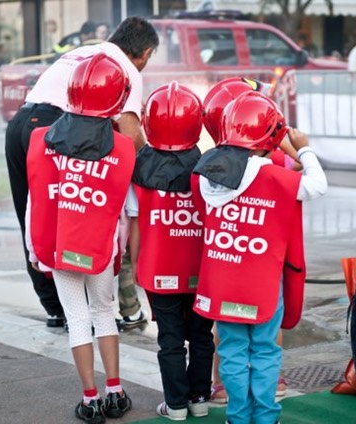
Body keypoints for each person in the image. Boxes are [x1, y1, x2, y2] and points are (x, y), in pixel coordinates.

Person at [5, 16, 158, 328]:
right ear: (144, 53)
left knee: (33, 215)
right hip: (57, 126)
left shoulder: (85, 52)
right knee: (77, 211)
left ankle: (55, 307)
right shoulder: (124, 69)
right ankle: (79, 307)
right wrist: (154, 165)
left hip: (22, 124)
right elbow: (130, 134)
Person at [191, 91, 327, 424]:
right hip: (262, 285)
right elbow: (317, 185)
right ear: (270, 136)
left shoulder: (204, 176)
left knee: (232, 350)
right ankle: (266, 417)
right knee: (265, 351)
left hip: (222, 283)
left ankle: (237, 417)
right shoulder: (278, 178)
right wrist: (302, 147)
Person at [25, 54, 135, 424]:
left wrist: (34, 249)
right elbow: (122, 212)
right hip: (101, 248)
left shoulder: (41, 140)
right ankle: (115, 392)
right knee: (105, 313)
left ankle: (90, 400)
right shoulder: (123, 149)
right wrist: (119, 252)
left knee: (76, 318)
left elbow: (35, 202)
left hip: (59, 246)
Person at [200, 78, 296, 405]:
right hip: (269, 256)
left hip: (229, 261)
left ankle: (223, 386)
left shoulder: (211, 167)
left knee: (229, 335)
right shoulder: (277, 161)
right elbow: (307, 178)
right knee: (269, 322)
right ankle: (274, 384)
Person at [126, 81, 214, 421]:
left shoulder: (139, 169)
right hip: (202, 270)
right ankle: (200, 399)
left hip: (157, 269)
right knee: (202, 336)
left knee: (171, 340)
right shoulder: (209, 168)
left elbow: (135, 224)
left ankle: (175, 405)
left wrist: (136, 264)